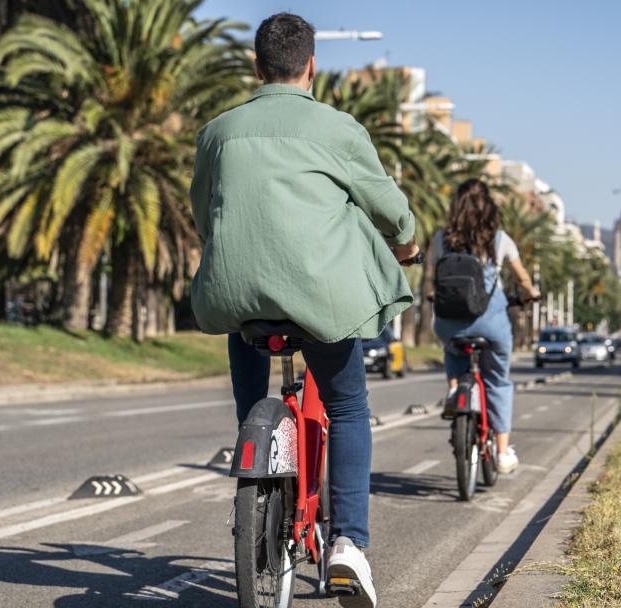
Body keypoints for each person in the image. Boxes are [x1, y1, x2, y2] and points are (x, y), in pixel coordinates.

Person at [189, 12, 418, 608]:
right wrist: (408, 245)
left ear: (255, 65)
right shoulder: (338, 130)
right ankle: (349, 546)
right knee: (347, 408)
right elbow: (390, 211)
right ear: (312, 65)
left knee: (248, 388)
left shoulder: (217, 132)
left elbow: (202, 210)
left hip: (237, 299)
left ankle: (255, 456)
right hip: (320, 302)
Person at [431, 179, 539, 474]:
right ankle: (503, 453)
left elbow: (432, 279)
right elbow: (523, 279)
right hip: (492, 324)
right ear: (490, 209)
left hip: (449, 322)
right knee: (498, 381)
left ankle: (455, 388)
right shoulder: (500, 240)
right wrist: (530, 294)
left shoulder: (440, 239)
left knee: (453, 349)